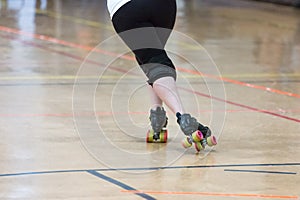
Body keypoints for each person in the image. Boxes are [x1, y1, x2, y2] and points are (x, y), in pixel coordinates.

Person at [106, 0, 215, 148]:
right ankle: (157, 116)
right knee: (153, 59)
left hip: (127, 7)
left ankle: (182, 116)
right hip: (164, 6)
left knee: (154, 60)